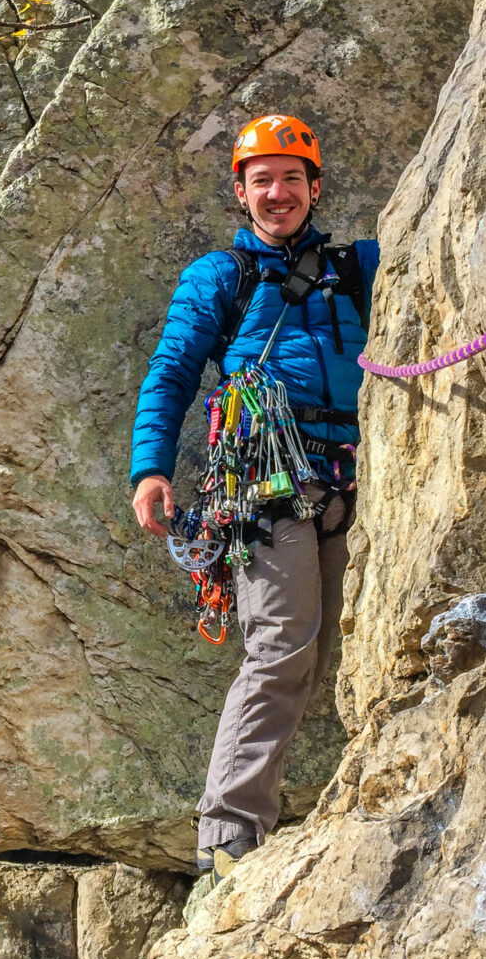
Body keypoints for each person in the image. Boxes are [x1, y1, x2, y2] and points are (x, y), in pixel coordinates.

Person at [128, 114, 377, 896]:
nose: (278, 194)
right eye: (262, 180)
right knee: (280, 648)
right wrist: (150, 470)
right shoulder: (220, 277)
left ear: (314, 188)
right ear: (240, 192)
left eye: (291, 180)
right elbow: (172, 371)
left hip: (360, 474)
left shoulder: (359, 266)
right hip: (267, 484)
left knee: (342, 651)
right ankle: (229, 834)